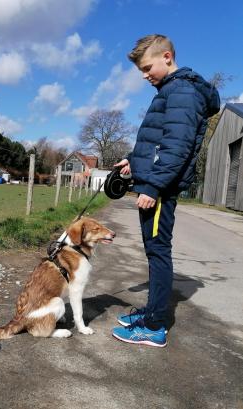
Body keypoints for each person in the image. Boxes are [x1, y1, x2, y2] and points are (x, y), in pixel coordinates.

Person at [112, 34, 220, 347]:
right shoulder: (171, 90)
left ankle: (155, 326)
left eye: (147, 68)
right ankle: (151, 311)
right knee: (153, 250)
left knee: (158, 252)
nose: (144, 75)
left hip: (160, 189)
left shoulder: (182, 91)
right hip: (155, 183)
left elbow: (176, 146)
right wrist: (132, 160)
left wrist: (154, 185)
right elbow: (159, 140)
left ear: (167, 57)